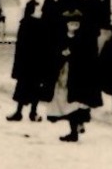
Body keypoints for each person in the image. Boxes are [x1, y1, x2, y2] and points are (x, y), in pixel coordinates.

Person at [44, 10, 102, 142]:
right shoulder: (60, 37)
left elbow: (88, 56)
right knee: (66, 102)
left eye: (76, 24)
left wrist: (72, 53)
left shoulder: (84, 38)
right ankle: (74, 128)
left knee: (76, 103)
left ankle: (75, 130)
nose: (74, 27)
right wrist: (61, 54)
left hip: (78, 77)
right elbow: (54, 53)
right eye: (71, 24)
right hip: (63, 76)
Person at [7, 0, 47, 122]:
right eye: (37, 8)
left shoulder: (42, 23)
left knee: (35, 89)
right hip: (28, 62)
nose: (40, 11)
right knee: (23, 88)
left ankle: (32, 112)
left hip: (37, 62)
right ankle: (20, 112)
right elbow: (21, 45)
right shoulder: (27, 23)